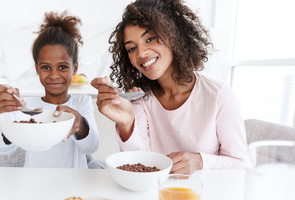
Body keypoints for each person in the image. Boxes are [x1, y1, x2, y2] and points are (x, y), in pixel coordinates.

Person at [91, 0, 249, 174]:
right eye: (131, 48)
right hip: (160, 195)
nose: (141, 53)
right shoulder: (141, 100)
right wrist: (126, 123)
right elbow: (137, 165)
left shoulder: (218, 95)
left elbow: (240, 164)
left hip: (206, 196)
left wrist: (200, 161)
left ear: (174, 35)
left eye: (150, 39)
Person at [0, 11, 99, 168]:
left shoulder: (82, 102)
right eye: (46, 67)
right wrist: (9, 118)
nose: (54, 75)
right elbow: (2, 148)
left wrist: (79, 123)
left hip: (73, 184)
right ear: (37, 68)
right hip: (34, 182)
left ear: (75, 68)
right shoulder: (28, 107)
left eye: (62, 67)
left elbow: (91, 147)